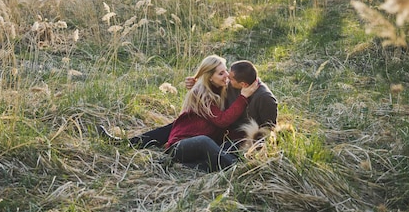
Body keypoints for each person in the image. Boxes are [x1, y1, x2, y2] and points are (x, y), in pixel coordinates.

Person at [100, 59, 277, 149]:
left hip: (231, 136)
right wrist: (199, 85)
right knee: (177, 125)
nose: (227, 79)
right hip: (218, 129)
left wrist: (243, 98)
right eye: (224, 75)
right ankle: (127, 144)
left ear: (243, 84)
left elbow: (267, 130)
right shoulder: (235, 84)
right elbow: (216, 88)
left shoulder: (263, 97)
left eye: (228, 76)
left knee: (187, 131)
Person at [164, 55, 259, 172]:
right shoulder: (200, 94)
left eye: (225, 71)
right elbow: (221, 120)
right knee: (203, 141)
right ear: (210, 78)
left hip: (204, 147)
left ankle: (188, 167)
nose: (227, 76)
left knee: (230, 145)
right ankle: (240, 169)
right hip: (181, 147)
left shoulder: (220, 90)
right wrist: (243, 97)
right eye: (221, 73)